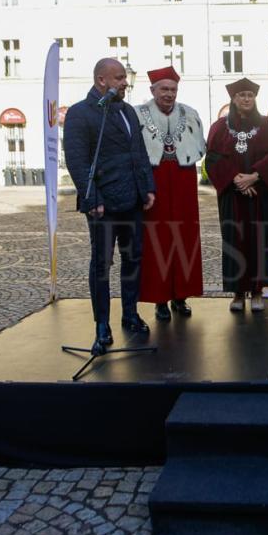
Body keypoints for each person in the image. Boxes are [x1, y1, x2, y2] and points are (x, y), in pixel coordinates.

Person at [64, 58, 156, 355]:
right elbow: (77, 160)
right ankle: (101, 324)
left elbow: (139, 153)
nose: (124, 82)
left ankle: (130, 313)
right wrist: (92, 199)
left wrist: (148, 187)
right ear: (101, 80)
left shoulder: (128, 111)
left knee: (133, 259)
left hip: (132, 202)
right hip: (103, 205)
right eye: (118, 78)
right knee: (102, 265)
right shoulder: (81, 113)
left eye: (124, 77)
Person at [205, 78, 268, 312]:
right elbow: (212, 158)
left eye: (250, 95)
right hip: (232, 197)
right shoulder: (219, 127)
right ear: (233, 99)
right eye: (241, 95)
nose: (246, 99)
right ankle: (238, 293)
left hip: (260, 196)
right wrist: (236, 179)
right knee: (234, 241)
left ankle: (257, 291)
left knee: (260, 242)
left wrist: (255, 176)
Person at [136, 66, 205, 321]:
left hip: (183, 179)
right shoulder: (138, 115)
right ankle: (160, 299)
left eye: (173, 89)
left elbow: (199, 145)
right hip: (152, 180)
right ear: (152, 90)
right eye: (164, 89)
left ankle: (181, 296)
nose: (169, 94)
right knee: (157, 240)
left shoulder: (191, 113)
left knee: (184, 237)